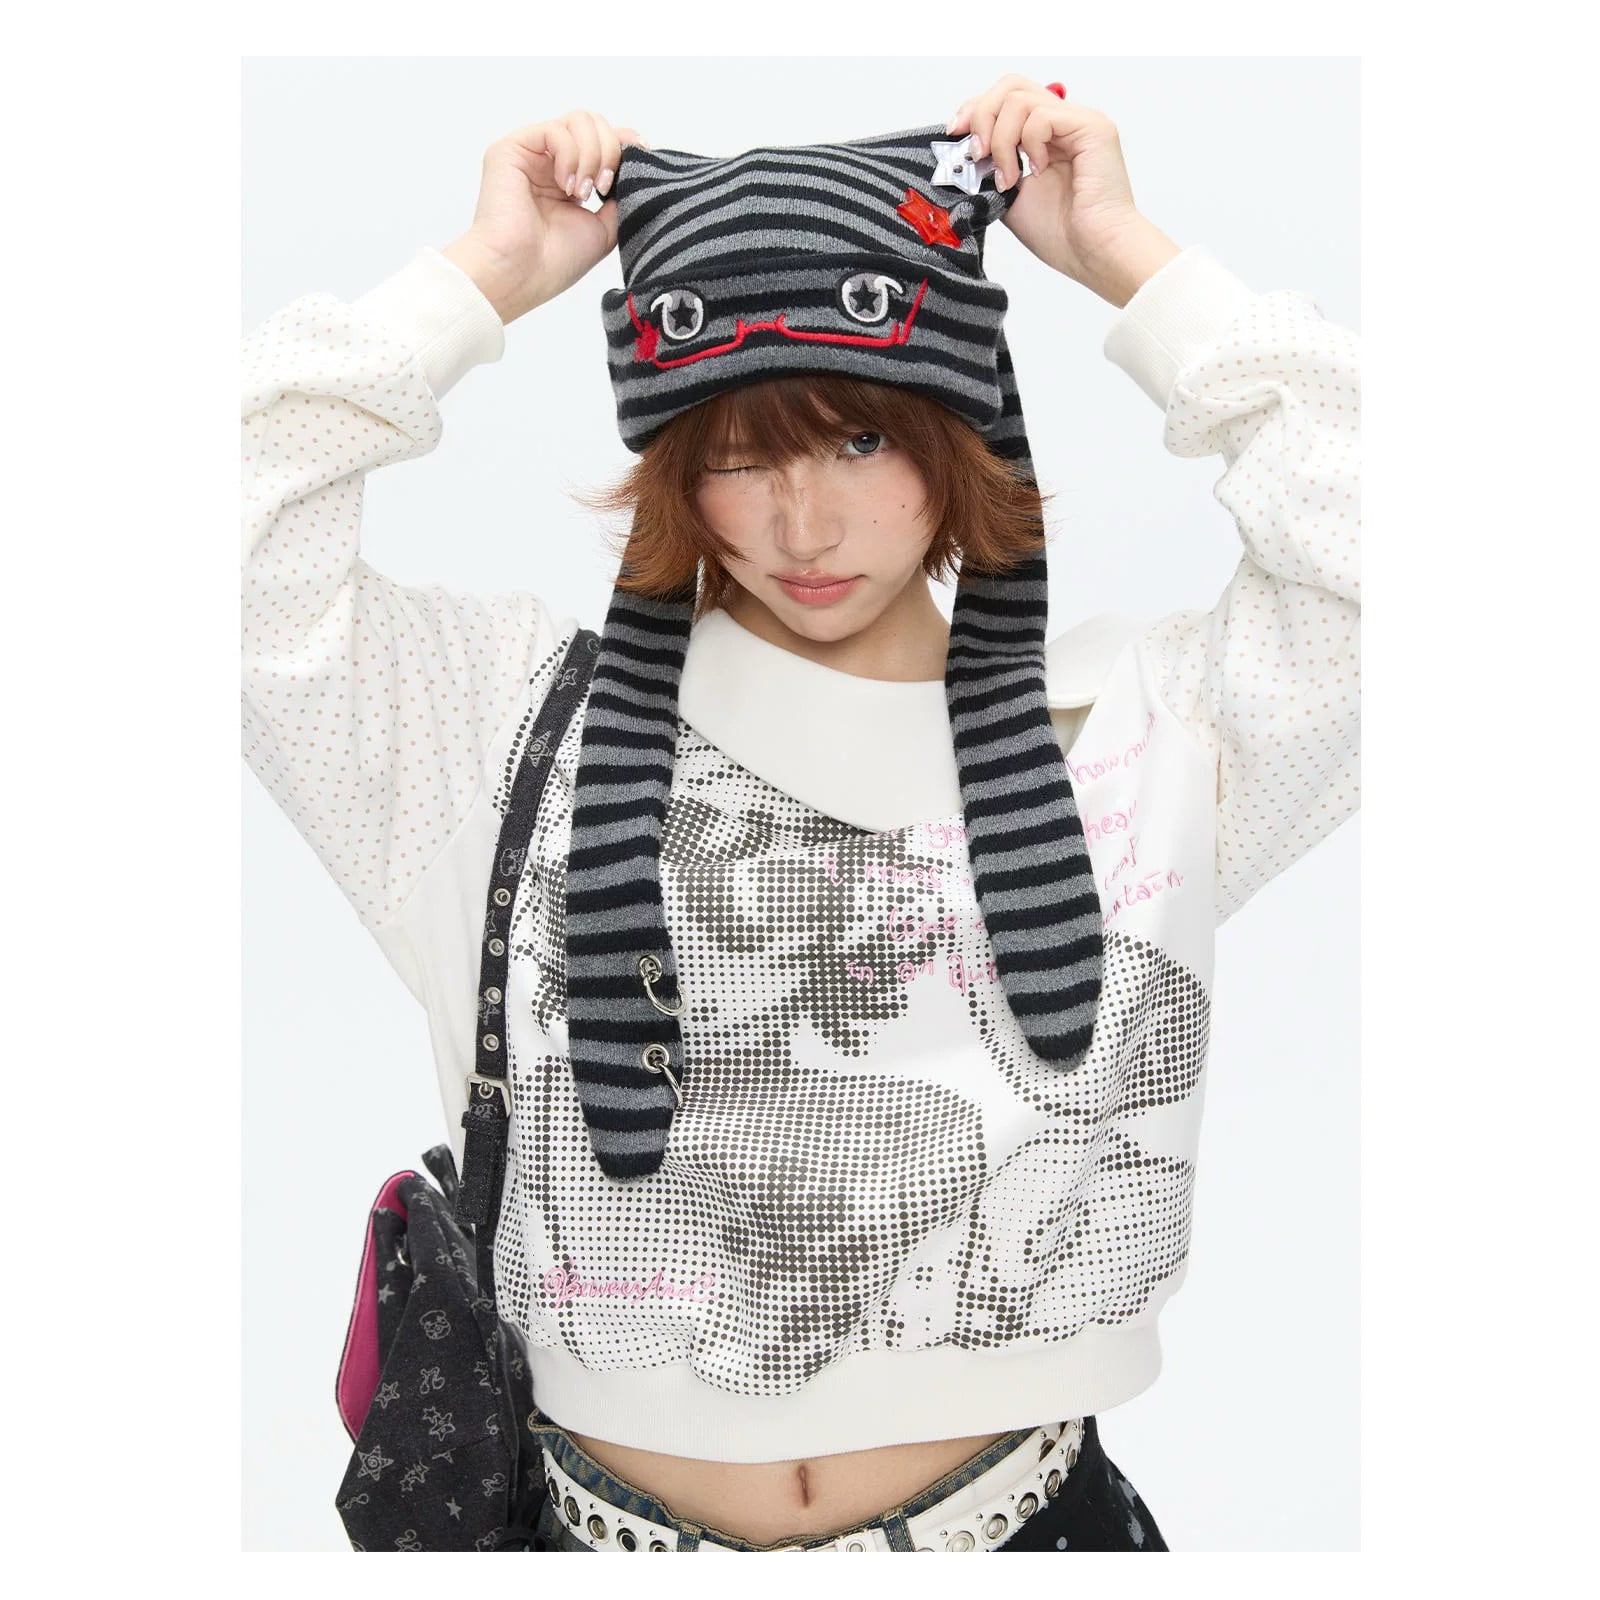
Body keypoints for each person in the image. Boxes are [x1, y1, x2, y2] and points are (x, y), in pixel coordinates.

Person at [242, 76, 1360, 1553]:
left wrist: (1126, 259)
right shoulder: (496, 726)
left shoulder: (1139, 736)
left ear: (962, 433)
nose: (805, 523)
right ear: (673, 465)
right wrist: (480, 280)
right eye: (741, 450)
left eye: (860, 442)